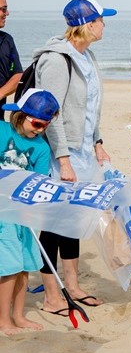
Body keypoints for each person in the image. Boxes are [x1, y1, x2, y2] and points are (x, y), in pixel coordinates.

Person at [33, 0, 115, 313]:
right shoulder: (57, 60)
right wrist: (64, 160)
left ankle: (73, 285)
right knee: (54, 223)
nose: (104, 24)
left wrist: (98, 141)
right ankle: (51, 296)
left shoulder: (87, 56)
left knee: (73, 219)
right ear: (87, 24)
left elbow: (90, 107)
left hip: (82, 152)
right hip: (60, 155)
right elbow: (49, 113)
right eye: (101, 19)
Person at [0, 89, 59, 333]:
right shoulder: (2, 132)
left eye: (45, 126)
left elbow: (39, 182)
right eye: (36, 123)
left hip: (26, 213)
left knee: (24, 263)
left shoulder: (42, 148)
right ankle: (3, 320)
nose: (39, 130)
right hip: (4, 213)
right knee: (9, 264)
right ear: (21, 116)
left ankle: (19, 315)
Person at [0, 0, 24, 120]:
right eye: (3, 9)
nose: (7, 13)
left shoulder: (7, 40)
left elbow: (17, 74)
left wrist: (0, 93)